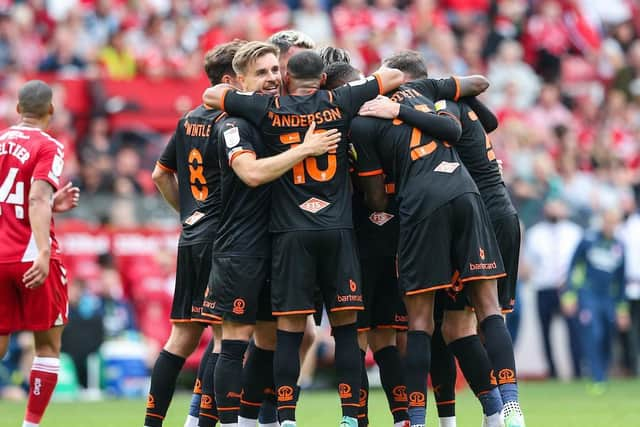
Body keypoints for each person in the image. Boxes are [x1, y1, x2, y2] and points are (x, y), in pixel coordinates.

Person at [203, 50, 405, 427]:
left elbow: (211, 96)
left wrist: (246, 96)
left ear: (288, 78)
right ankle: (351, 419)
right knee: (347, 330)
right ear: (323, 79)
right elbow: (392, 75)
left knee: (289, 331)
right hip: (337, 231)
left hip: (291, 233)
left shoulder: (269, 110)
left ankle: (286, 418)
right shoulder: (339, 100)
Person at [350, 51, 507, 427]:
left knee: (419, 325)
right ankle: (500, 413)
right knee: (460, 325)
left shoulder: (372, 117)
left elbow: (375, 197)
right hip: (470, 202)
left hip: (413, 218)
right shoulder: (434, 96)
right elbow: (485, 109)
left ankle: (416, 421)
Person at [205, 40, 341, 427]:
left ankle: (256, 422)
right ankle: (223, 423)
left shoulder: (278, 117)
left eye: (274, 71)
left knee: (272, 342)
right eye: (261, 72)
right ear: (240, 80)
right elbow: (251, 174)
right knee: (232, 343)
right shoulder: (234, 124)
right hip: (241, 247)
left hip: (280, 244)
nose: (270, 79)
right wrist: (305, 149)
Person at [145, 40, 249, 427]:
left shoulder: (188, 118)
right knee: (227, 340)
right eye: (243, 75)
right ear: (228, 79)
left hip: (190, 238)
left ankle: (153, 423)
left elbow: (160, 174)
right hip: (223, 240)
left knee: (181, 341)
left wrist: (189, 214)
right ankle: (209, 423)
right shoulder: (231, 123)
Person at [323, 60, 411, 427]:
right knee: (387, 338)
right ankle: (404, 418)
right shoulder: (396, 121)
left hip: (356, 237)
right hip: (394, 236)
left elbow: (371, 193)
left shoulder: (344, 124)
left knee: (356, 337)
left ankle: (356, 420)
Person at [0, 79, 79, 427]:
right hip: (30, 256)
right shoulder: (49, 145)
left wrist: (52, 205)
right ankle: (30, 425)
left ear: (17, 109)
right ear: (51, 110)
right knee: (47, 345)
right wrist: (44, 252)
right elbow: (34, 197)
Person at [562, 208, 629, 394]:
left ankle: (603, 374)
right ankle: (597, 377)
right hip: (588, 295)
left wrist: (622, 309)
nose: (610, 226)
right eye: (607, 221)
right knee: (593, 333)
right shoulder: (588, 241)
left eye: (614, 222)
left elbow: (621, 280)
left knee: (607, 336)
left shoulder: (620, 246)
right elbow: (574, 268)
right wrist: (570, 295)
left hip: (608, 298)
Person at [523, 199, 583, 379]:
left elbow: (580, 263)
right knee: (545, 331)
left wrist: (573, 285)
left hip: (567, 288)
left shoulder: (575, 232)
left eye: (558, 206)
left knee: (573, 330)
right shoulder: (535, 234)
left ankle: (577, 370)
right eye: (551, 206)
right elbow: (528, 263)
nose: (554, 210)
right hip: (544, 286)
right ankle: (552, 371)